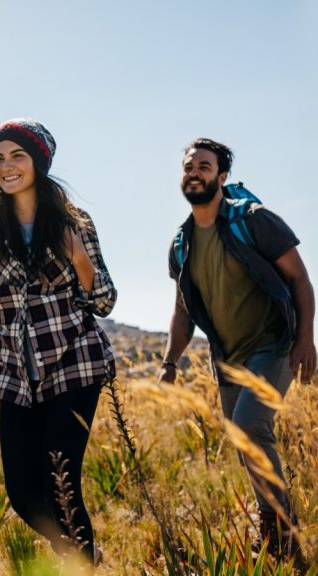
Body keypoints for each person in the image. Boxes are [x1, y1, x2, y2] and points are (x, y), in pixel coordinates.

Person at [0, 118, 116, 565]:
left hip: (74, 368)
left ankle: (80, 564)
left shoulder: (75, 223)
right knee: (22, 493)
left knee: (61, 484)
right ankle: (82, 556)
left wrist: (80, 260)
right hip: (16, 378)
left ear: (39, 162)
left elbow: (105, 300)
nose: (6, 167)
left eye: (17, 156)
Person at [158, 138, 314, 560]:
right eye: (189, 166)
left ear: (222, 177)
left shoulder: (254, 221)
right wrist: (170, 361)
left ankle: (285, 536)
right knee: (246, 444)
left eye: (205, 166)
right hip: (227, 359)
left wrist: (305, 339)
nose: (195, 172)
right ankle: (272, 529)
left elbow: (300, 279)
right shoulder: (182, 244)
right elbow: (182, 309)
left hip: (273, 344)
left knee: (249, 427)